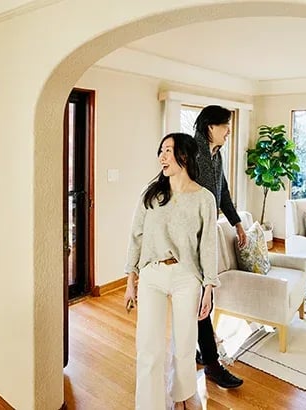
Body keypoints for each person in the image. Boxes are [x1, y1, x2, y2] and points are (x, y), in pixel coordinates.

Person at [123, 132, 219, 409]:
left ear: (184, 156)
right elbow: (136, 236)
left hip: (186, 275)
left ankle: (183, 396)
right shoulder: (151, 193)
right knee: (148, 349)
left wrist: (209, 288)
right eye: (161, 151)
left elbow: (209, 246)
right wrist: (131, 279)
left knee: (185, 346)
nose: (162, 157)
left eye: (168, 150)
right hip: (151, 274)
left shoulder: (205, 199)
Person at [191, 105, 246, 389]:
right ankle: (212, 364)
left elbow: (222, 192)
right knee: (201, 300)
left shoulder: (216, 154)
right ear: (210, 127)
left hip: (206, 235)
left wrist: (237, 223)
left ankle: (199, 352)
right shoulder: (191, 153)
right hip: (189, 239)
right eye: (225, 126)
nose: (228, 131)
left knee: (200, 300)